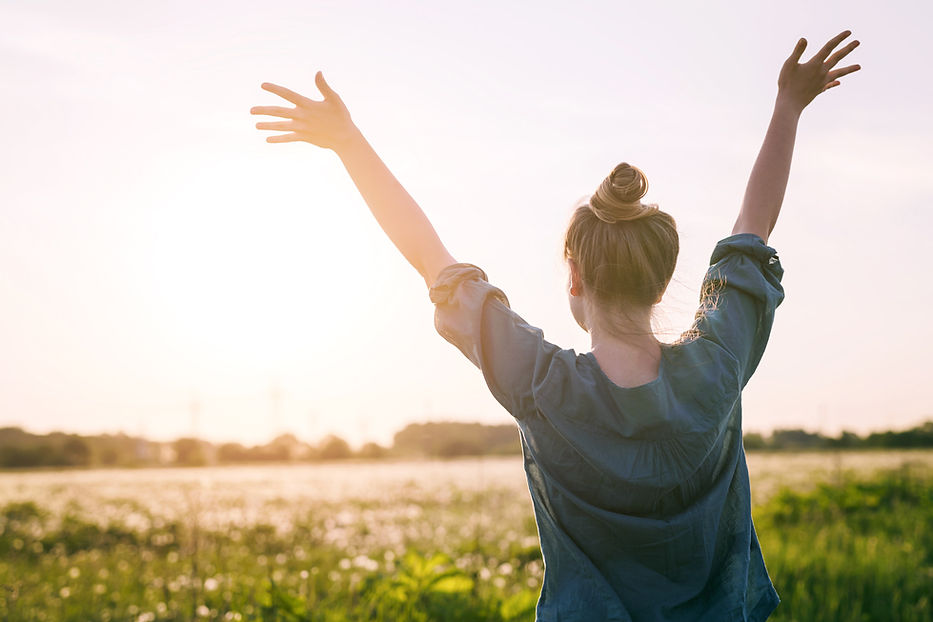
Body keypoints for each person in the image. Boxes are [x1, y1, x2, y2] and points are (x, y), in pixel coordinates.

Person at [251, 30, 860, 622]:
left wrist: (349, 143)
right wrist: (788, 106)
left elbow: (432, 260)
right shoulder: (719, 363)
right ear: (661, 279)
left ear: (574, 279)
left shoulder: (541, 383)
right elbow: (752, 232)